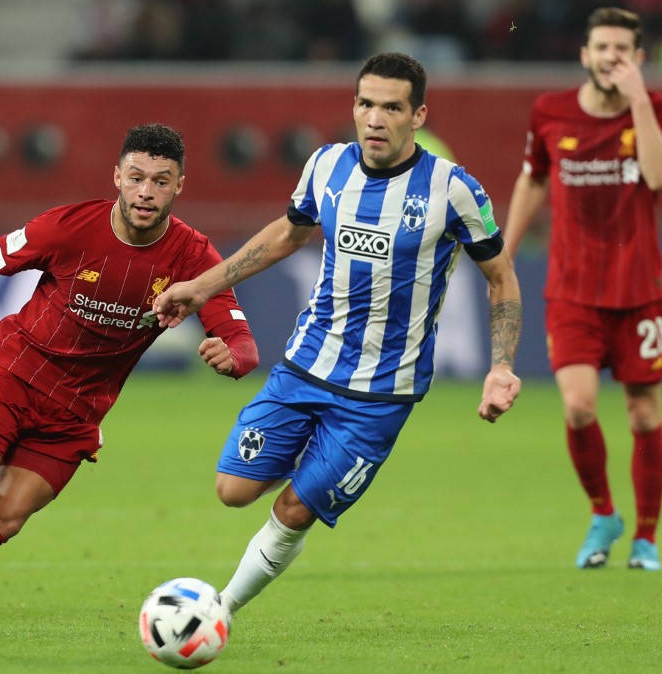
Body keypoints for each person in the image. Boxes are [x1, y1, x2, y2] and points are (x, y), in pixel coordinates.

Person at [0, 123, 260, 625]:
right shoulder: (70, 227)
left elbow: (238, 333)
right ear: (117, 176)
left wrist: (237, 358)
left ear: (179, 186)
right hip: (15, 372)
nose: (147, 192)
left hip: (79, 410)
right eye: (137, 177)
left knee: (3, 521)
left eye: (161, 181)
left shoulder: (192, 256)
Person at [153, 52, 522, 615]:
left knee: (296, 511)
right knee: (232, 491)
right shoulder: (326, 166)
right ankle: (310, 462)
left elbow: (500, 278)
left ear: (418, 115)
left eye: (392, 107)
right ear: (354, 106)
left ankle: (219, 611)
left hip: (380, 392)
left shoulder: (453, 190)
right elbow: (287, 234)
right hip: (305, 365)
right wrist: (203, 285)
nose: (376, 119)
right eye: (366, 104)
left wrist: (501, 366)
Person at [503, 7, 662, 571]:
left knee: (644, 417)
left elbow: (660, 176)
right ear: (584, 55)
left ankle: (647, 538)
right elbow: (532, 177)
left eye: (622, 49)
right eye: (601, 47)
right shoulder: (550, 111)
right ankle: (603, 512)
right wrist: (503, 256)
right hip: (573, 291)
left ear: (638, 58)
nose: (611, 57)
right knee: (579, 408)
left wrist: (639, 103)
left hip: (640, 293)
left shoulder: (660, 109)